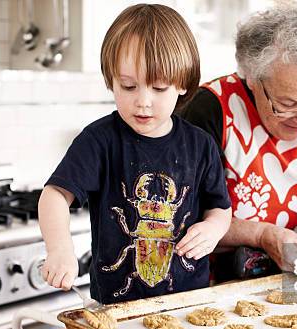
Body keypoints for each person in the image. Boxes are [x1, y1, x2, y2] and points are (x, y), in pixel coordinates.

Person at [38, 4, 232, 304]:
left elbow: (219, 208)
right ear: (110, 81)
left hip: (188, 304)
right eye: (128, 86)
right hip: (115, 307)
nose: (142, 101)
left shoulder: (201, 144)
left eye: (158, 87)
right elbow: (54, 195)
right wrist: (60, 249)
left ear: (181, 84)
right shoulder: (99, 141)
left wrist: (213, 228)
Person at [180, 2, 297, 276]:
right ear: (252, 77)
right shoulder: (210, 110)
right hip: (224, 285)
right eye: (286, 104)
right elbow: (183, 215)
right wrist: (262, 235)